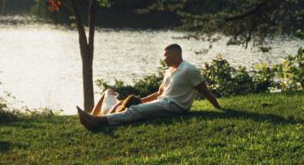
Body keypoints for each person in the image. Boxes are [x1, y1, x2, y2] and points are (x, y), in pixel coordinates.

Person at [77, 44, 222, 131]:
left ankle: (98, 121)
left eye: (166, 55)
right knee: (133, 106)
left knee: (135, 110)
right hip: (163, 102)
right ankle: (96, 118)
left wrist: (217, 107)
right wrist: (141, 99)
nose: (164, 58)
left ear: (176, 54)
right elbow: (159, 92)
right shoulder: (169, 71)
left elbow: (205, 91)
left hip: (176, 106)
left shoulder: (189, 70)